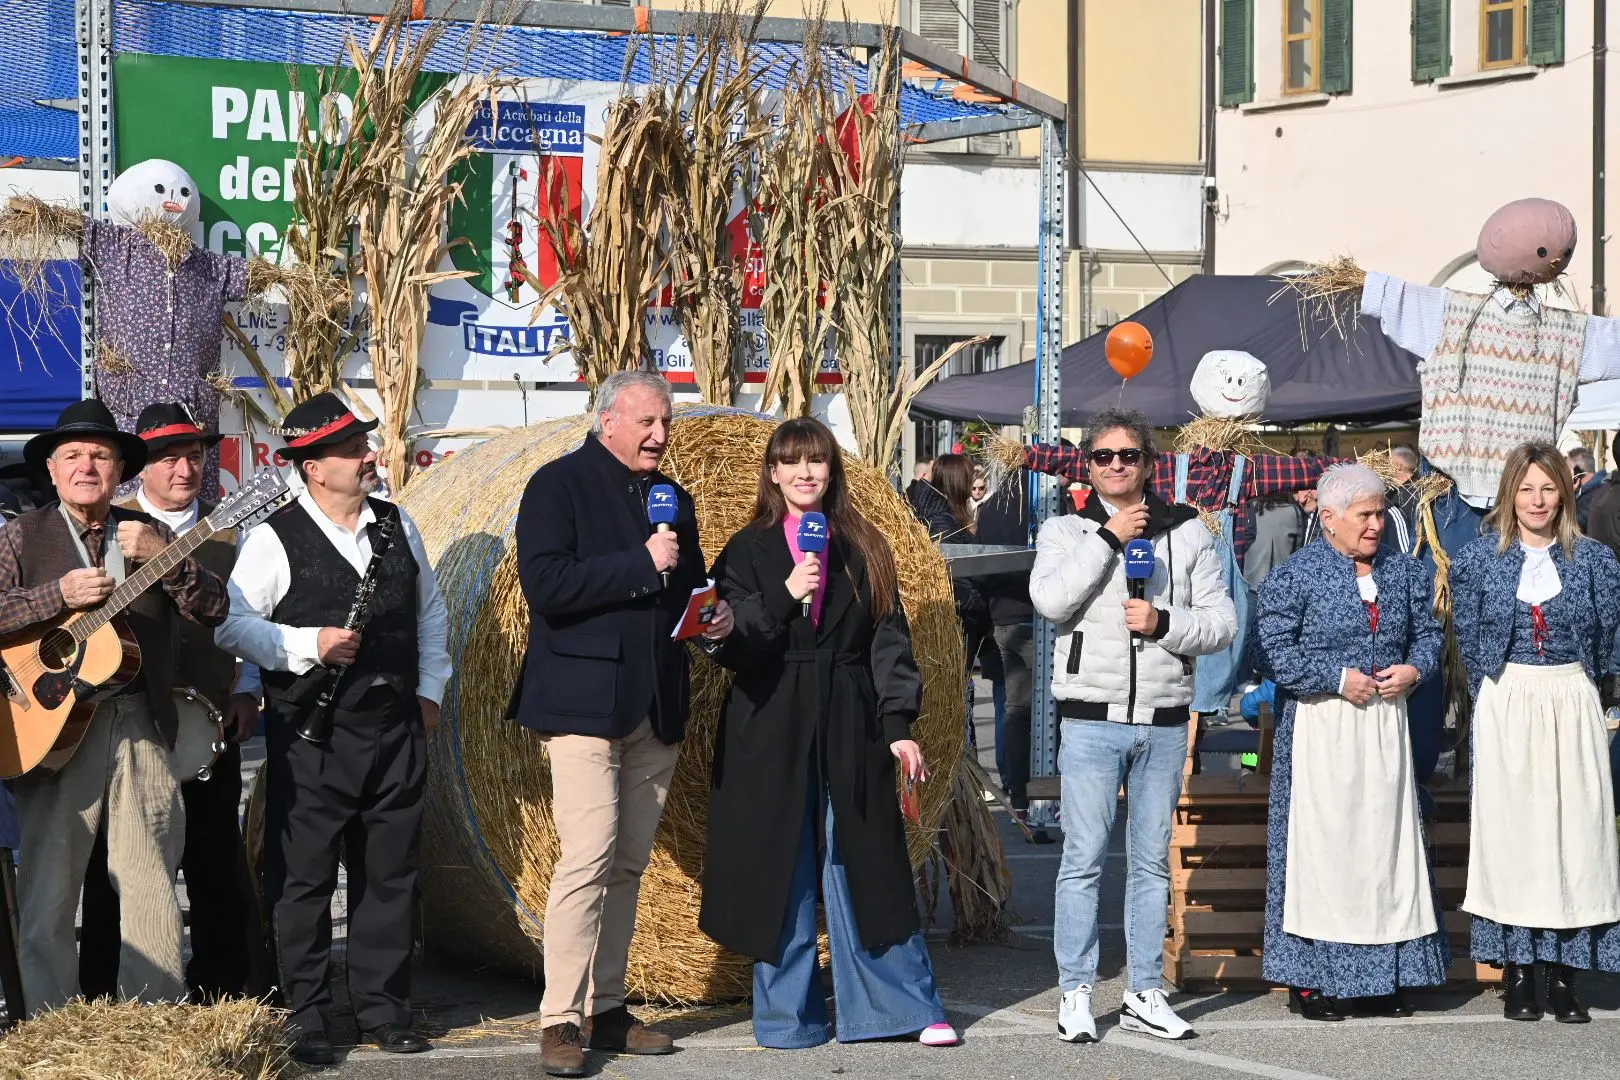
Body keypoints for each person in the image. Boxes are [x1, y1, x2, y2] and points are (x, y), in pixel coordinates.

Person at [700, 417, 959, 1050]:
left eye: (816, 461)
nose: (805, 473)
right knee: (780, 868)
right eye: (791, 463)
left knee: (864, 861)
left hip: (849, 710)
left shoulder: (863, 544)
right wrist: (788, 595)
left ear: (831, 469)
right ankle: (790, 1019)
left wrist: (898, 725)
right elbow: (730, 644)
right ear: (773, 473)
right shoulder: (744, 548)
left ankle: (897, 1008)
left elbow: (887, 640)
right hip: (770, 718)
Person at [509, 371, 734, 1078]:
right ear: (608, 419)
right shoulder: (558, 485)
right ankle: (559, 1019)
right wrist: (639, 563)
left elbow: (688, 587)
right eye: (647, 423)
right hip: (583, 707)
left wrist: (713, 622)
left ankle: (607, 1007)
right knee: (588, 857)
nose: (661, 435)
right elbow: (546, 585)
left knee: (629, 863)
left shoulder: (674, 499)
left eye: (665, 422)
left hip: (654, 707)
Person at [215, 391, 451, 1064]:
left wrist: (430, 692)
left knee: (389, 874)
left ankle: (384, 1009)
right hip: (314, 735)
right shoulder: (272, 538)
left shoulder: (397, 524)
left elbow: (429, 614)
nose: (367, 457)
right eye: (352, 451)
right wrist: (305, 644)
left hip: (396, 726)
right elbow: (232, 625)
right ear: (314, 466)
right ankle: (310, 1015)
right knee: (304, 879)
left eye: (363, 446)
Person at [0, 399, 228, 1014]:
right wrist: (56, 595)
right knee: (48, 889)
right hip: (47, 728)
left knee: (151, 880)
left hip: (140, 722)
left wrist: (165, 559)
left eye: (100, 455)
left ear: (120, 469)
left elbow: (214, 609)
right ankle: (50, 1027)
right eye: (71, 455)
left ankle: (151, 1025)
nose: (85, 466)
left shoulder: (148, 532)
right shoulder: (20, 535)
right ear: (50, 469)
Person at [1028, 408, 1236, 1043]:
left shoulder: (1191, 534)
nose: (1116, 465)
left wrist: (1165, 623)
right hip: (1090, 720)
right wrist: (1110, 537)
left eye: (1129, 455)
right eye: (1103, 457)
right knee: (1083, 859)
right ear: (1088, 466)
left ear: (1150, 463)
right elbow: (1051, 601)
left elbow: (1223, 625)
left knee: (1149, 864)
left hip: (1166, 721)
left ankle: (1144, 989)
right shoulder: (1065, 530)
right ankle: (1076, 991)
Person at [79, 403, 267, 1003]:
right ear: (143, 465)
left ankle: (224, 995)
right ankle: (105, 995)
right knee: (114, 868)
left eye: (194, 455)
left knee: (214, 861)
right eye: (168, 457)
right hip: (124, 723)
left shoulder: (233, 530)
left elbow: (255, 618)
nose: (184, 468)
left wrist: (246, 692)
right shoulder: (108, 524)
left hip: (209, 722)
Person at [1252, 464, 1450, 1020]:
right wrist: (1336, 678)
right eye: (1364, 514)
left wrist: (1415, 669)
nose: (1375, 523)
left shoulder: (1405, 574)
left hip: (1386, 729)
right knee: (1326, 851)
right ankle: (1313, 981)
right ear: (1329, 516)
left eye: (1380, 512)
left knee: (1385, 852)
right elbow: (1267, 651)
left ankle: (1387, 977)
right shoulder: (1296, 576)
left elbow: (1430, 637)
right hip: (1323, 728)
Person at [1451, 441, 1620, 1022]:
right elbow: (1469, 641)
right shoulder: (1478, 559)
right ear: (1509, 494)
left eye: (1548, 487)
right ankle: (1519, 970)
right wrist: (1496, 698)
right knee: (1515, 836)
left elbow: (1612, 639)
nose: (1538, 499)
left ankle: (1566, 975)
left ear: (1566, 491)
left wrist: (1605, 702)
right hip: (1507, 697)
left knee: (1574, 835)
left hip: (1573, 697)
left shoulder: (1596, 560)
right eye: (1526, 488)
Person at [1567, 446, 1605, 532]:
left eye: (1566, 470)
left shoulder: (1595, 493)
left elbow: (1574, 524)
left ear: (1577, 471)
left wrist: (1567, 496)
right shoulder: (1586, 491)